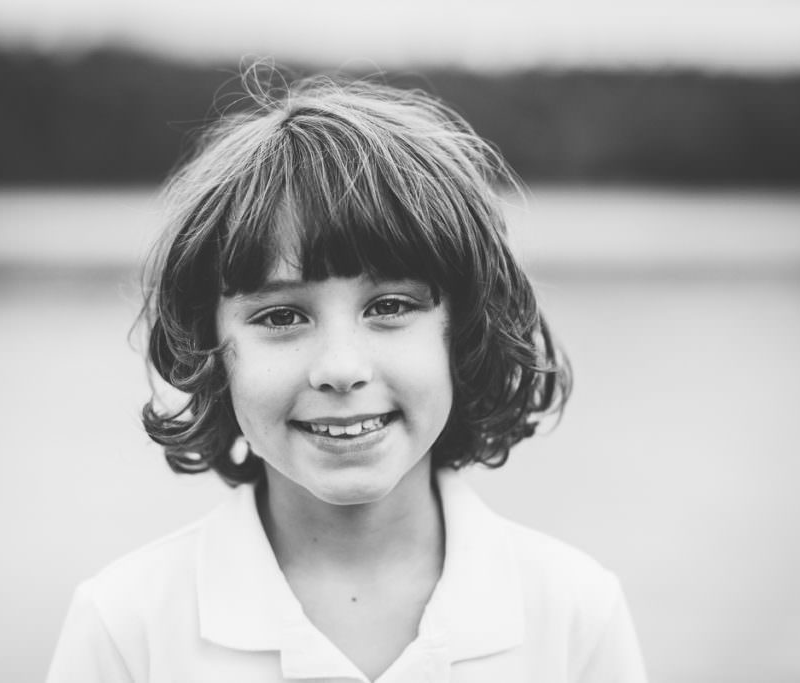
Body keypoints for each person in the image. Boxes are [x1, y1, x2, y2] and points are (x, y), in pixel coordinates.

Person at [46, 72, 648, 683]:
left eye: (389, 307)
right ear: (210, 352)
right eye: (281, 316)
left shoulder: (575, 617)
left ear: (464, 332)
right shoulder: (128, 630)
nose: (340, 367)